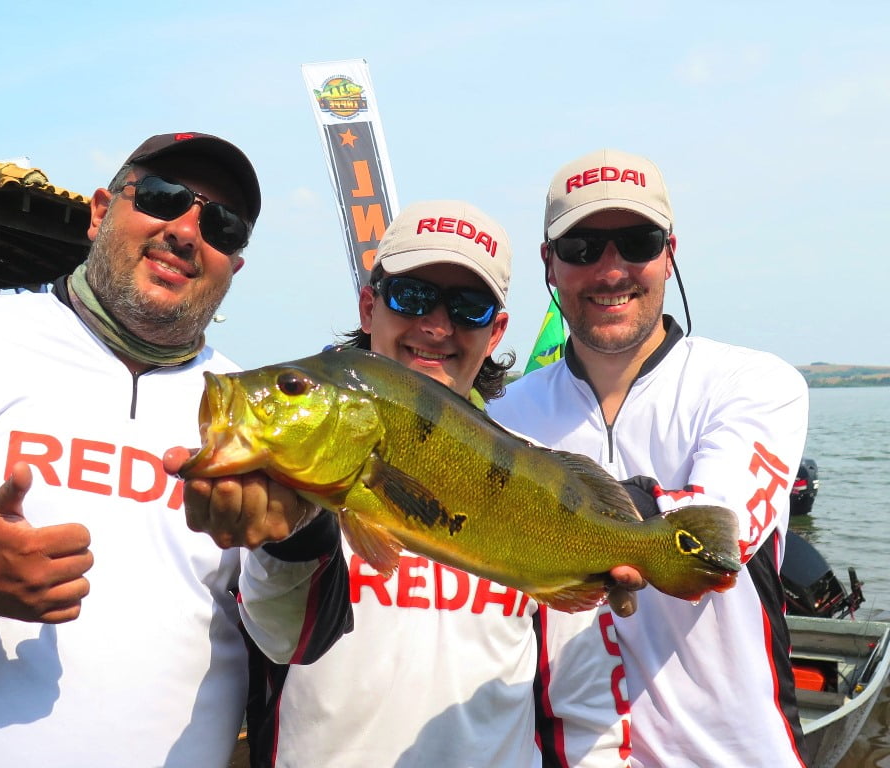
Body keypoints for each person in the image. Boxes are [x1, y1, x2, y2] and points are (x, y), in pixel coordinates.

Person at [0, 132, 351, 768]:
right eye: (161, 196)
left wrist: (295, 537)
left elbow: (295, 641)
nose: (185, 231)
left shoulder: (262, 406)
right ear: (100, 212)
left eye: (223, 225)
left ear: (234, 267)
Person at [172, 199, 634, 768]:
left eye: (468, 308)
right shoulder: (290, 483)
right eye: (411, 297)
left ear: (496, 332)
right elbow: (281, 638)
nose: (436, 326)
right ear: (370, 307)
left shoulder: (547, 485)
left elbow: (586, 708)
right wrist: (291, 537)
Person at [487, 148, 810, 767]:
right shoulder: (506, 414)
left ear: (670, 253)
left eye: (637, 243)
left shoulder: (754, 383)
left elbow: (717, 533)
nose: (611, 271)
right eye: (582, 247)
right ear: (549, 263)